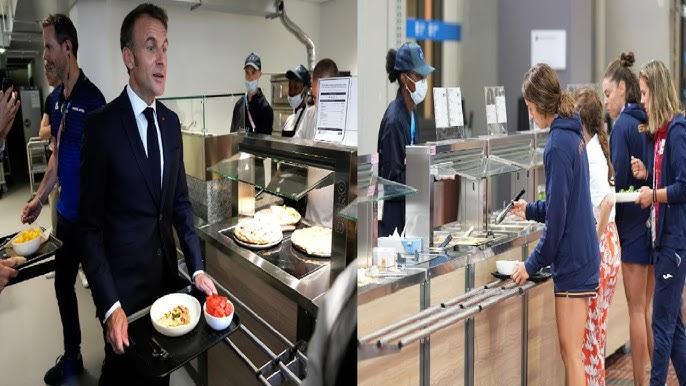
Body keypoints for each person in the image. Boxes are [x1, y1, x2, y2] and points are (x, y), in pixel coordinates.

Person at [79, 4, 217, 385]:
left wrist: (198, 266)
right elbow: (88, 229)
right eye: (151, 46)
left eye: (166, 47)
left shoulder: (171, 125)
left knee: (161, 378)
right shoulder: (102, 128)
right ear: (129, 57)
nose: (162, 59)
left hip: (168, 289)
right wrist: (109, 306)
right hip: (126, 301)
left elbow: (179, 207)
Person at [19, 14, 106, 386]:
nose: (45, 58)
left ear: (67, 48)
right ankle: (73, 356)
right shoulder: (55, 102)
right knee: (62, 285)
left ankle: (117, 363)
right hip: (66, 216)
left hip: (94, 221)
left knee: (105, 296)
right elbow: (56, 156)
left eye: (49, 48)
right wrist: (39, 199)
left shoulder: (94, 100)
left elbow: (105, 168)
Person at [510, 63, 600, 386]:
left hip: (575, 261)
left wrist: (529, 265)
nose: (530, 115)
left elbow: (559, 221)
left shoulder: (557, 145)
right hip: (582, 255)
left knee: (571, 354)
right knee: (571, 353)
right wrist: (530, 209)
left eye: (529, 108)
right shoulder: (569, 133)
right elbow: (564, 204)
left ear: (537, 104)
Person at [630, 60, 686, 386]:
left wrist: (653, 194)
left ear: (659, 92)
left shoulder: (677, 132)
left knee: (661, 326)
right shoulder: (661, 134)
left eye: (645, 93)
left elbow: (683, 187)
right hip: (663, 241)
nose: (643, 100)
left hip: (674, 242)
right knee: (674, 326)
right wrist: (648, 176)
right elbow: (668, 182)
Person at [603, 51, 654, 385]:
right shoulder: (649, 119)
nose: (605, 101)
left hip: (632, 226)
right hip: (652, 224)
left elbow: (619, 179)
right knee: (648, 310)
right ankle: (656, 375)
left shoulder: (621, 126)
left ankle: (642, 380)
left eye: (608, 94)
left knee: (636, 310)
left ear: (623, 88)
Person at [575, 87, 621, 386]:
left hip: (601, 248)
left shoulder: (590, 156)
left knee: (590, 340)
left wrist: (591, 243)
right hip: (611, 245)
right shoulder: (597, 151)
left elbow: (605, 203)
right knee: (596, 336)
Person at [377, 42, 433, 237]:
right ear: (404, 77)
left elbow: (413, 159)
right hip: (394, 217)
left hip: (409, 211)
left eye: (424, 76)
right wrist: (428, 171)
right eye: (419, 76)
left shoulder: (411, 113)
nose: (424, 81)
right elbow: (393, 180)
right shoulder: (394, 120)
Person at [294, 58, 340, 227]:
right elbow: (295, 146)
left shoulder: (349, 123)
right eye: (315, 97)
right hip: (311, 216)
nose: (319, 103)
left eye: (324, 97)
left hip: (336, 222)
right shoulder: (310, 114)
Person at [293, 58, 339, 140]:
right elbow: (297, 142)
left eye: (324, 99)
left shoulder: (350, 121)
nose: (318, 105)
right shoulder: (310, 114)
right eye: (315, 98)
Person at [230, 52, 273, 135]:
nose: (250, 77)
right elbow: (232, 135)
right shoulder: (239, 104)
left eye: (253, 72)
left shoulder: (265, 109)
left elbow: (264, 144)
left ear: (260, 74)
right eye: (247, 73)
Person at [281, 64, 310, 137]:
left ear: (305, 88)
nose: (292, 93)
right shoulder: (289, 119)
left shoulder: (308, 118)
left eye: (296, 87)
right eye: (290, 87)